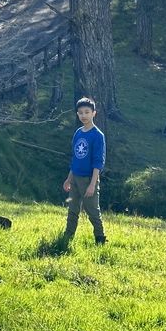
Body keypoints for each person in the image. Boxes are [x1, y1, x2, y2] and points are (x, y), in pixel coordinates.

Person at [62, 97, 106, 245]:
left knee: (92, 211)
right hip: (75, 177)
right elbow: (75, 158)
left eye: (87, 112)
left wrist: (92, 184)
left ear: (94, 113)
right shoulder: (78, 133)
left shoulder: (97, 135)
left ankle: (100, 238)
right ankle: (67, 237)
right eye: (80, 113)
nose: (84, 115)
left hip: (88, 179)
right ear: (77, 114)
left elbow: (98, 162)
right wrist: (69, 179)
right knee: (72, 210)